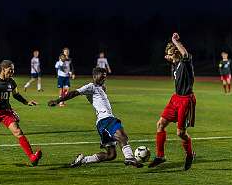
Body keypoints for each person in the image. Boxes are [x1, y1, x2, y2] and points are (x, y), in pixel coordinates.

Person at [48, 67, 143, 168]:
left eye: (105, 77)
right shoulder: (91, 86)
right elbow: (74, 93)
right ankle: (129, 157)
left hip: (102, 122)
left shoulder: (101, 88)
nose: (103, 79)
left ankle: (83, 160)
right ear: (94, 76)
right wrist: (58, 101)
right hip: (105, 120)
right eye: (102, 77)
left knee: (111, 155)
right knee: (122, 135)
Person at [0, 60, 42, 166]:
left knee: (18, 131)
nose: (12, 71)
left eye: (13, 69)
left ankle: (32, 157)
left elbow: (16, 95)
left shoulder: (11, 82)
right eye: (10, 69)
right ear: (3, 69)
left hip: (5, 112)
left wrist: (26, 102)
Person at [148, 33, 196, 170]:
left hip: (186, 100)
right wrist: (169, 56)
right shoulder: (174, 65)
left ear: (176, 52)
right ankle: (160, 156)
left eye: (170, 54)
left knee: (180, 133)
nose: (167, 57)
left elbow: (185, 54)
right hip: (175, 99)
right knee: (160, 124)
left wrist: (175, 41)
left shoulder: (185, 63)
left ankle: (189, 154)